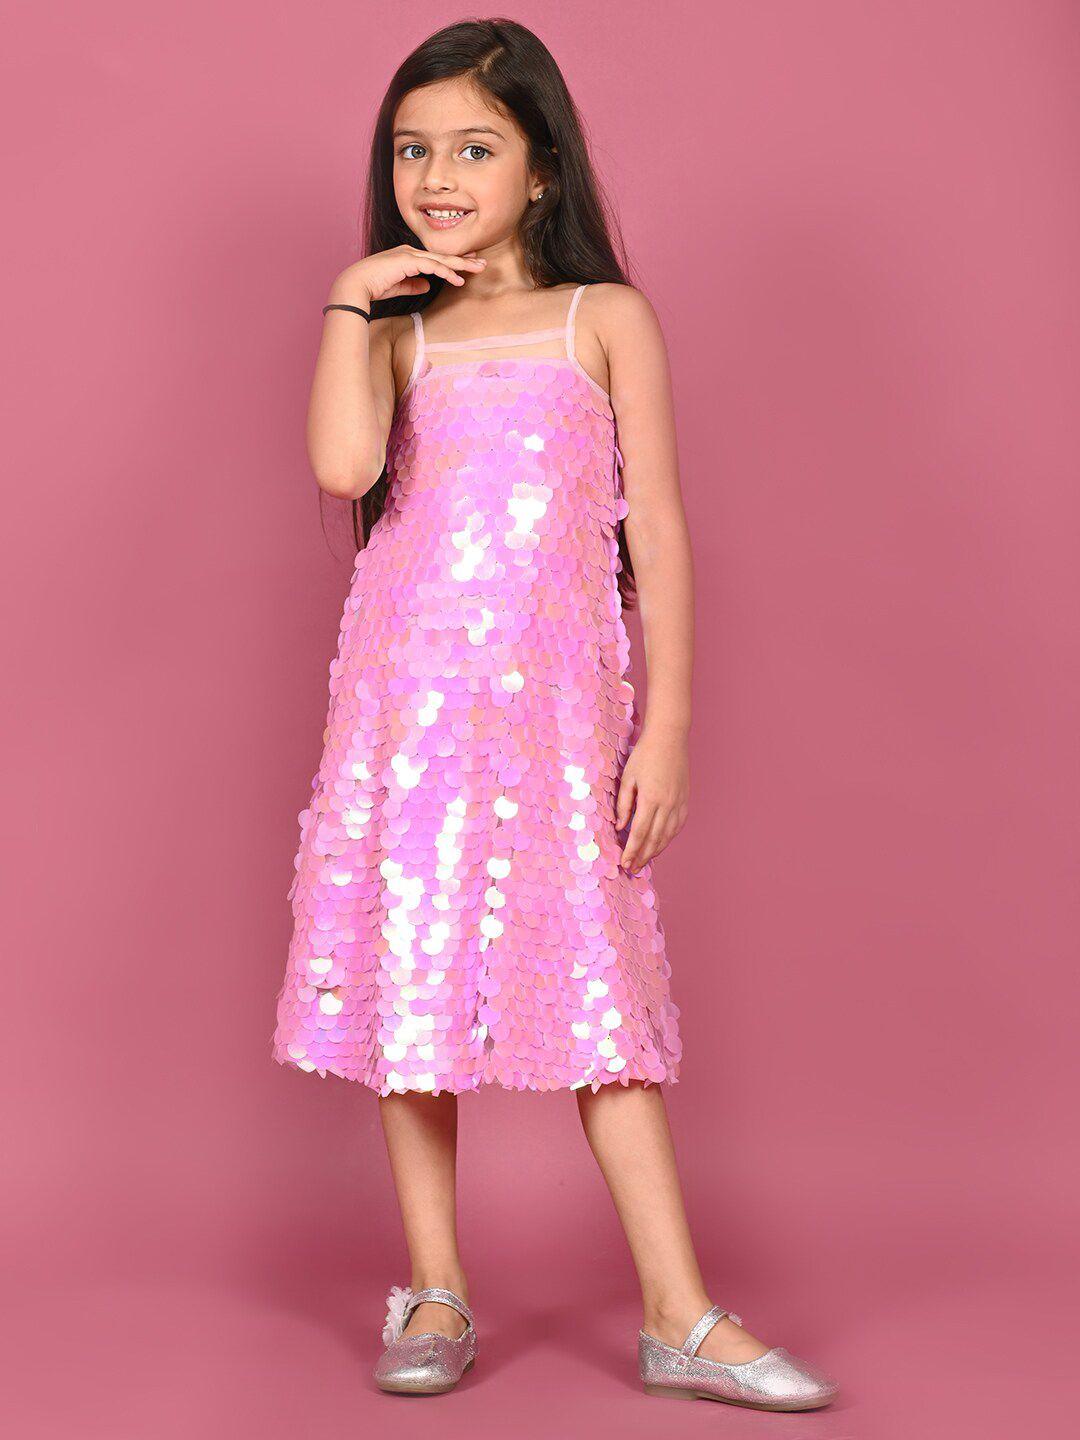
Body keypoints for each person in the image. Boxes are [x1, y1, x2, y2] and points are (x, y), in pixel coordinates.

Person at [272, 17, 839, 1412]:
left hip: (554, 729)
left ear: (540, 169)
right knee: (411, 990)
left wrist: (669, 727)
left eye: (475, 148)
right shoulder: (396, 334)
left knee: (601, 1002)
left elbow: (666, 531)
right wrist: (349, 300)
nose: (437, 176)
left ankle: (679, 1313)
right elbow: (342, 465)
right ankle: (435, 1286)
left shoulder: (605, 320)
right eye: (413, 150)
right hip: (406, 720)